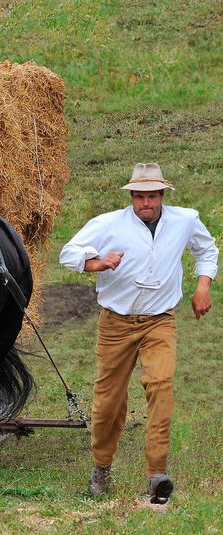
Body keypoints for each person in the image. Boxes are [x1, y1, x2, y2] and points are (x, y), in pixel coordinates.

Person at [60, 163, 217, 504]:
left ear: (162, 195)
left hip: (160, 320)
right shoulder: (109, 224)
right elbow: (68, 253)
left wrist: (202, 286)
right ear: (131, 196)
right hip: (116, 324)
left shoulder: (185, 220)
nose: (146, 202)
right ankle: (101, 467)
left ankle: (157, 473)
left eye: (153, 195)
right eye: (140, 196)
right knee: (109, 403)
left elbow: (207, 250)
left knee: (161, 384)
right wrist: (97, 263)